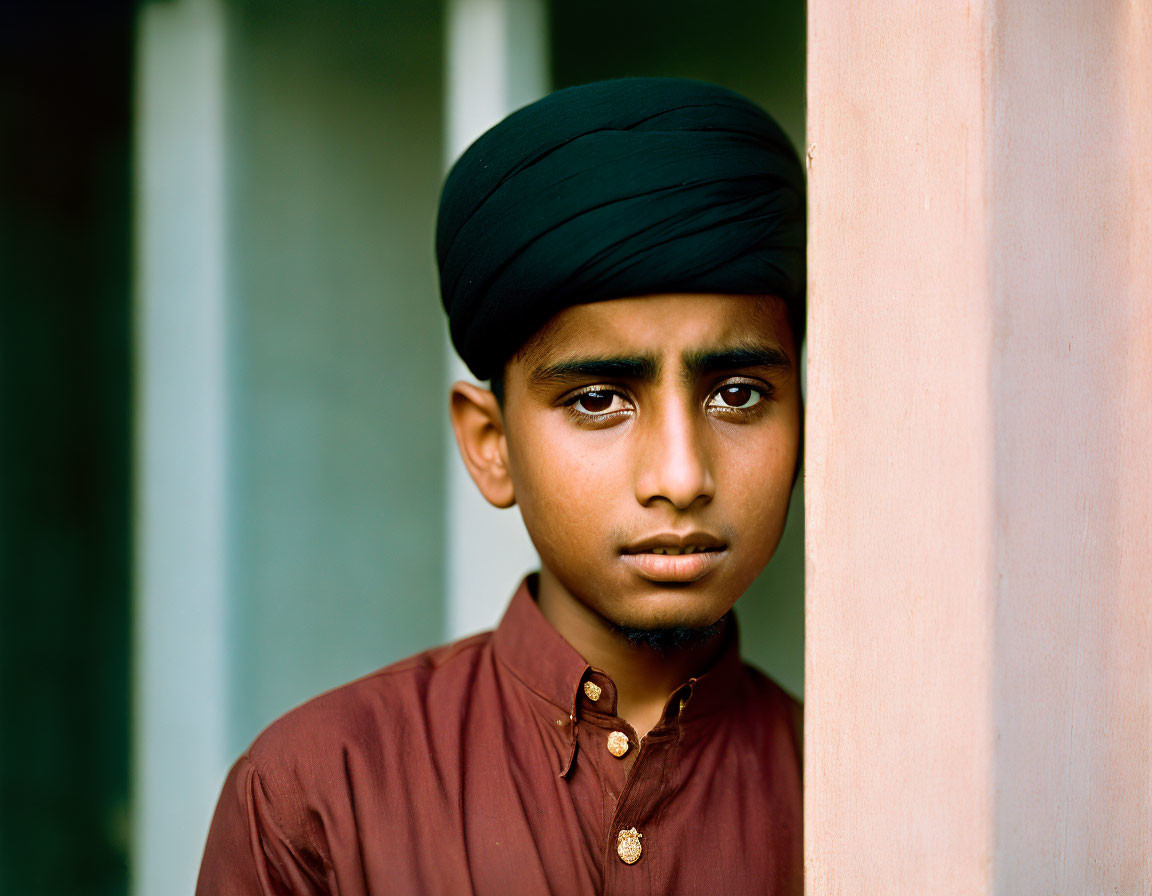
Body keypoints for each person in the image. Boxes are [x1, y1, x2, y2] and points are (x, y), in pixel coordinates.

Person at [197, 76, 805, 895]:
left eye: (737, 394)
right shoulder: (318, 799)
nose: (680, 476)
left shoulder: (875, 796)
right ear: (492, 445)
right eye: (598, 400)